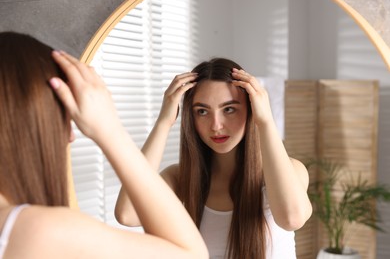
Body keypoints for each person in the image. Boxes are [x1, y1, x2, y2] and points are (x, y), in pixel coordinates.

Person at [0, 31, 208, 259]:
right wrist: (109, 129)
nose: (70, 136)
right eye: (65, 119)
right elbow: (191, 255)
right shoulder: (38, 231)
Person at [115, 57, 313, 259]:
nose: (216, 125)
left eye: (229, 109)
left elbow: (292, 218)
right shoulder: (181, 178)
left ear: (252, 108)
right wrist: (163, 123)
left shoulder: (292, 171)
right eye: (202, 111)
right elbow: (127, 214)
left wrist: (265, 121)